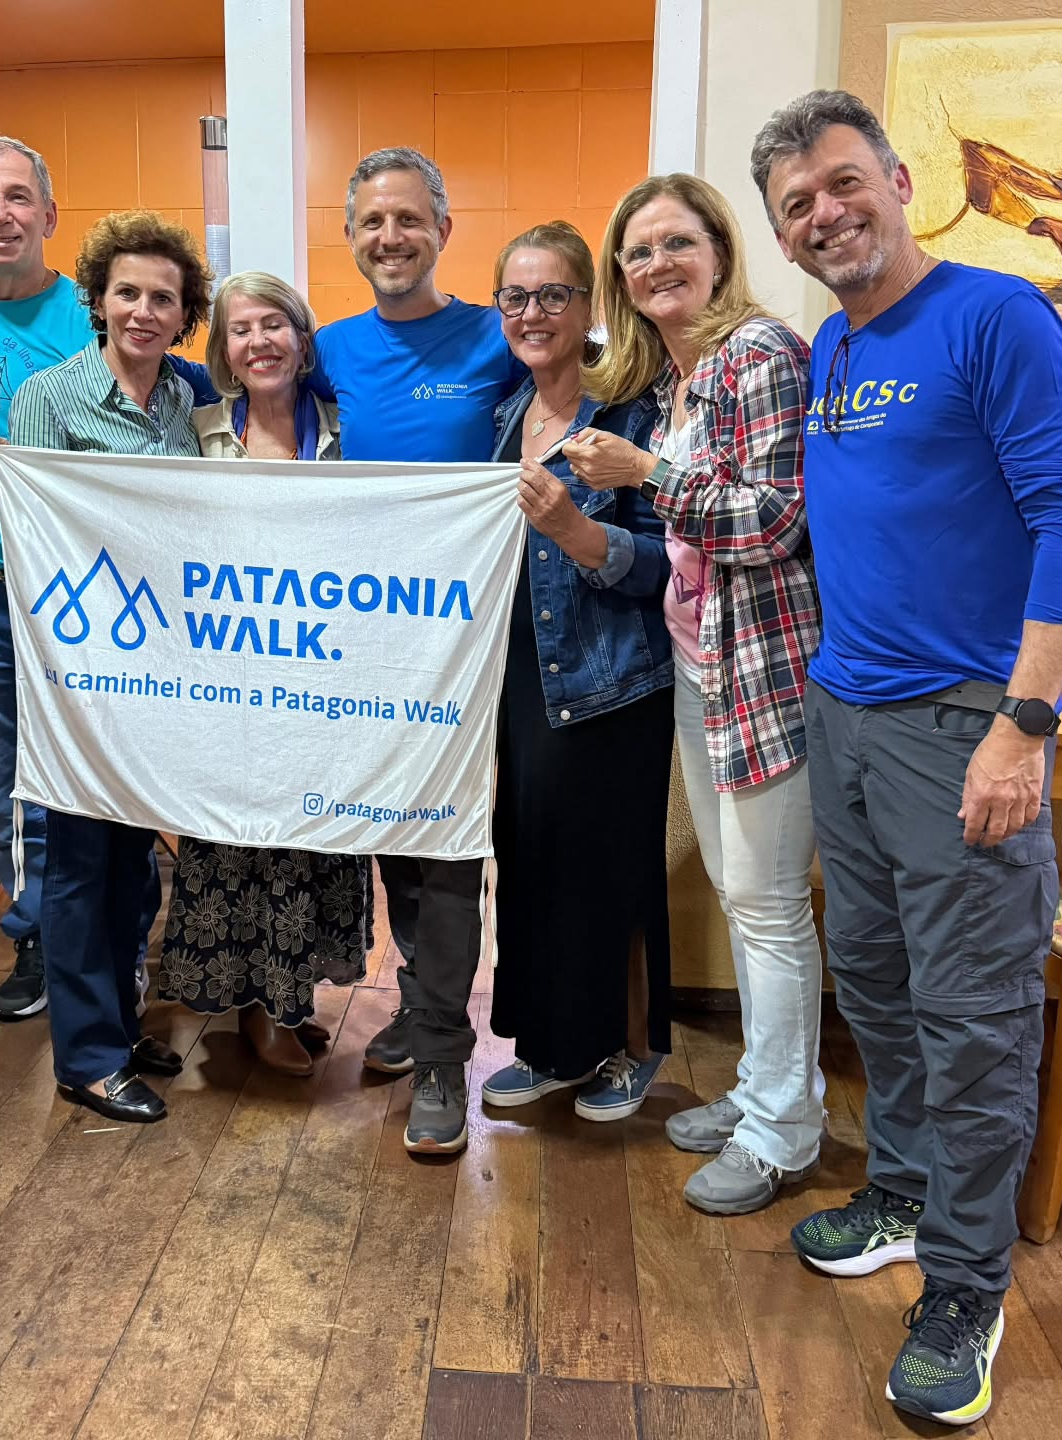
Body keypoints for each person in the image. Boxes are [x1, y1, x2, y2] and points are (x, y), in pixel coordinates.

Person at [751, 90, 1062, 1426]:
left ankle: (966, 1287)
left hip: (966, 725)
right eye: (798, 203)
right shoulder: (833, 347)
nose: (826, 213)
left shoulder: (998, 317)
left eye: (844, 183)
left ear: (901, 183)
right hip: (843, 712)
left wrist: (1026, 722)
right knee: (880, 988)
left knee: (976, 1023)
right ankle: (901, 1194)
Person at [567, 174, 827, 1215]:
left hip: (762, 668)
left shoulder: (761, 354)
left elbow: (773, 521)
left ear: (720, 251)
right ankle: (769, 1091)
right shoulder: (680, 378)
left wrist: (645, 475)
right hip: (699, 660)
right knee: (743, 895)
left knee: (767, 905)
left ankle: (782, 1133)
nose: (656, 264)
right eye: (636, 252)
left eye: (677, 242)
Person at [0, 135, 216, 1022]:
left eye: (18, 196)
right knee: (9, 784)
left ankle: (110, 953)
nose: (0, 214)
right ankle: (41, 941)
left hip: (117, 614)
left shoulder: (179, 390)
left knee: (108, 789)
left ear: (48, 213)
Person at [311, 146, 526, 1155]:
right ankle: (415, 1001)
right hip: (370, 637)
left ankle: (443, 1058)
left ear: (443, 229)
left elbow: (593, 377)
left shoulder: (497, 337)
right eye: (372, 222)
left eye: (408, 219)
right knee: (394, 838)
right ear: (350, 237)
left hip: (477, 641)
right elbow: (233, 381)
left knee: (447, 849)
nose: (389, 237)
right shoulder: (331, 350)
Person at [7, 210, 213, 1123]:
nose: (143, 311)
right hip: (82, 669)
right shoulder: (49, 397)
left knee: (134, 862)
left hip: (161, 666)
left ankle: (122, 1024)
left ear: (183, 315)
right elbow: (33, 534)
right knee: (81, 863)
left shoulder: (186, 397)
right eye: (127, 292)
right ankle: (86, 1056)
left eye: (163, 298)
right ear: (98, 300)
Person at [476, 222, 675, 1122]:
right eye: (515, 297)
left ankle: (630, 1049)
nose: (533, 313)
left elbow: (668, 563)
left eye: (553, 294)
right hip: (522, 672)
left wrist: (575, 530)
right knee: (533, 859)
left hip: (613, 674)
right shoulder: (503, 417)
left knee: (611, 867)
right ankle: (552, 1046)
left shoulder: (633, 413)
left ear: (590, 305)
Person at [158, 270, 370, 1076]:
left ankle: (291, 998)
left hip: (325, 673)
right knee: (239, 838)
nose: (259, 342)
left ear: (302, 338)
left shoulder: (345, 426)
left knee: (312, 836)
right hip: (229, 672)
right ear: (224, 349)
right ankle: (254, 1010)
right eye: (241, 329)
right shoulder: (199, 430)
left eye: (274, 324)